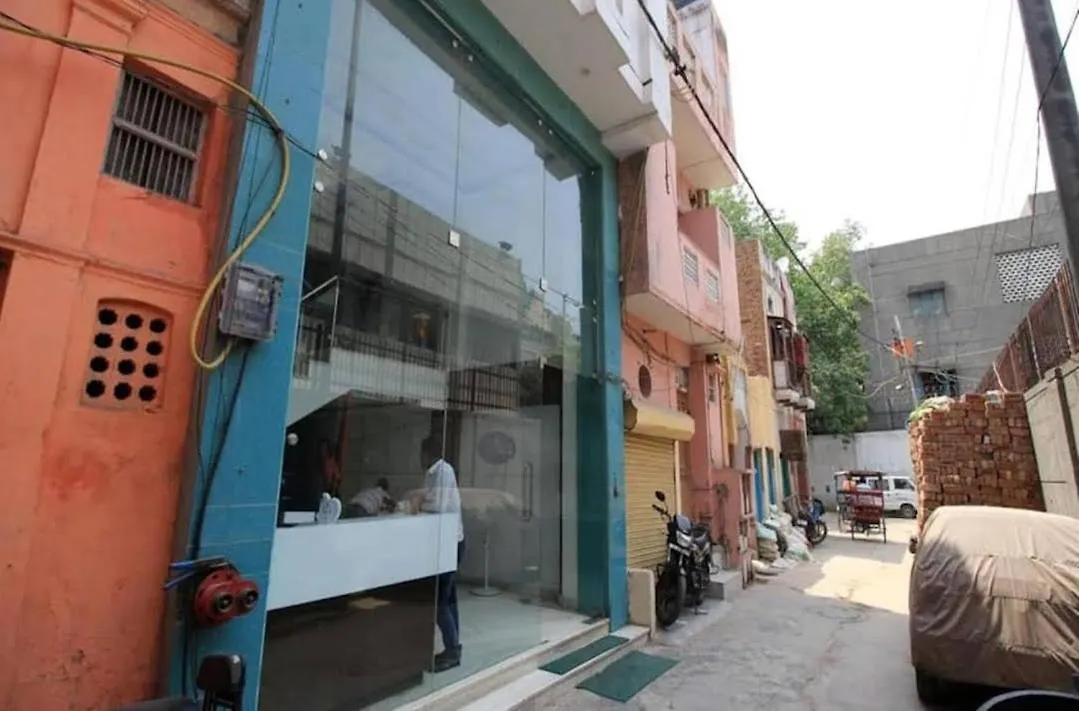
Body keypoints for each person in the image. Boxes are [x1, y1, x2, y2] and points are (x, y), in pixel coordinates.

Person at [420, 436, 464, 672]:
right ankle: (453, 647)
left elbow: (439, 505)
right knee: (449, 599)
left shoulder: (443, 471)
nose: (420, 458)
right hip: (444, 542)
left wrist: (418, 504)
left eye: (422, 453)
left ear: (429, 453)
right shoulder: (431, 474)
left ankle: (452, 651)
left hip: (450, 543)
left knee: (439, 601)